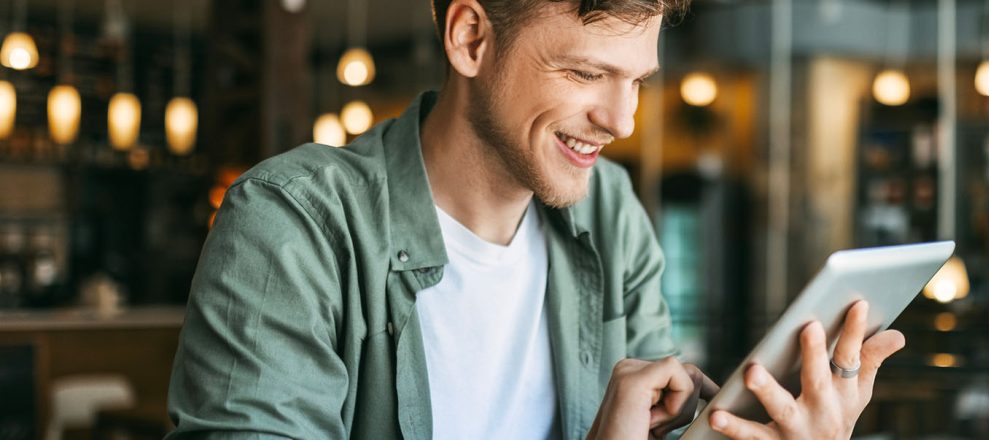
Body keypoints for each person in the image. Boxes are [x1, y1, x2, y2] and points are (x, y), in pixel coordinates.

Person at [165, 0, 905, 438]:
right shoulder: (293, 225)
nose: (620, 119)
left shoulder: (611, 211)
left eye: (637, 80)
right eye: (585, 73)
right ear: (470, 39)